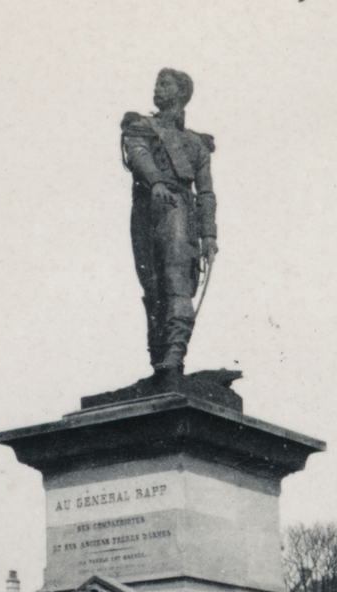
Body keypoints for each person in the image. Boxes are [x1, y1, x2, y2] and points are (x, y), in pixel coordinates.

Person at [121, 67, 218, 376]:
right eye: (157, 83)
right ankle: (159, 358)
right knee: (151, 285)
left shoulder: (196, 144)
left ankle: (173, 355)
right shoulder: (141, 127)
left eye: (165, 84)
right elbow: (138, 155)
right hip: (147, 210)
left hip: (178, 208)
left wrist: (209, 236)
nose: (157, 88)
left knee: (177, 281)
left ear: (181, 93)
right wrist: (156, 182)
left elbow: (205, 192)